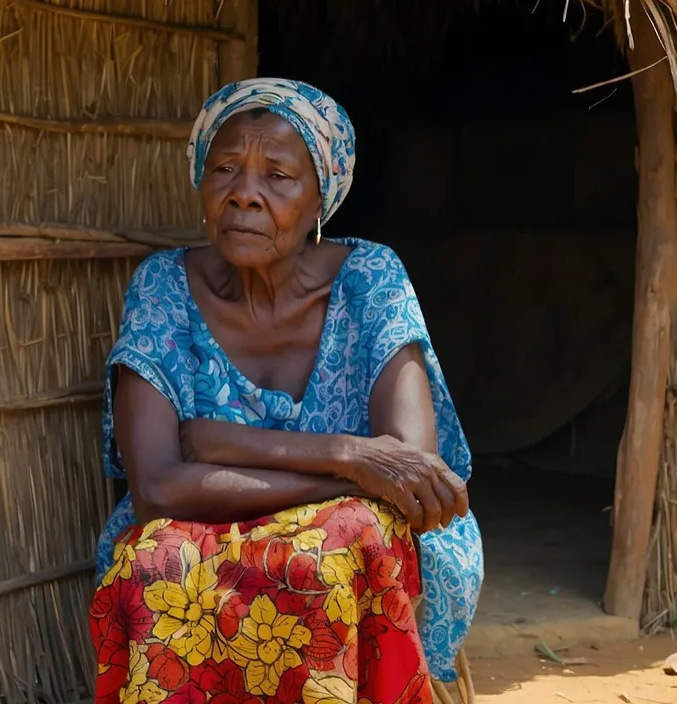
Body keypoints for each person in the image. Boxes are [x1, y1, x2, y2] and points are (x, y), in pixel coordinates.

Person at [89, 78, 483, 703]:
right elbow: (158, 488)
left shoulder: (370, 278)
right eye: (224, 168)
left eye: (278, 175)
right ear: (201, 183)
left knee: (328, 554)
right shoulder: (164, 285)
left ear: (319, 199)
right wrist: (350, 459)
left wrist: (223, 444)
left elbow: (412, 476)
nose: (245, 194)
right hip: (205, 527)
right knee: (147, 561)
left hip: (344, 531)